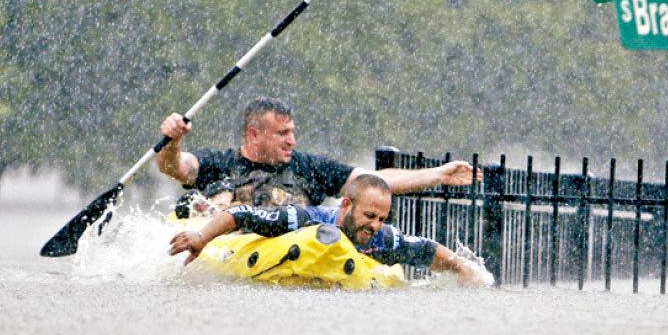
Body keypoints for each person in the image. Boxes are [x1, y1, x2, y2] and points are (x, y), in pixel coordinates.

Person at [156, 96, 479, 208]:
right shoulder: (218, 163)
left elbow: (374, 180)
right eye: (282, 134)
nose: (291, 141)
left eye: (293, 132)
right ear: (254, 135)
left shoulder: (310, 167)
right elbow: (175, 168)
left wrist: (439, 174)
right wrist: (173, 140)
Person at [168, 174, 488, 286]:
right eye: (369, 215)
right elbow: (241, 213)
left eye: (382, 218)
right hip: (263, 252)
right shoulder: (306, 218)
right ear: (346, 206)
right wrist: (201, 238)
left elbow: (427, 249)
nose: (374, 225)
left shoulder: (380, 237)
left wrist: (464, 268)